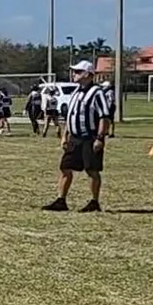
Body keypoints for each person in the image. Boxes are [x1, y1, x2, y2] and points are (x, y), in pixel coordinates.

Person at [45, 61, 113, 213]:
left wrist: (100, 138)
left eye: (78, 71)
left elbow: (104, 117)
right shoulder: (76, 92)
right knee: (65, 167)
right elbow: (70, 115)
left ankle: (94, 202)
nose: (74, 74)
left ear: (88, 74)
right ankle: (61, 200)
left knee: (91, 170)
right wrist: (65, 136)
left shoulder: (97, 93)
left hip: (90, 137)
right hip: (75, 138)